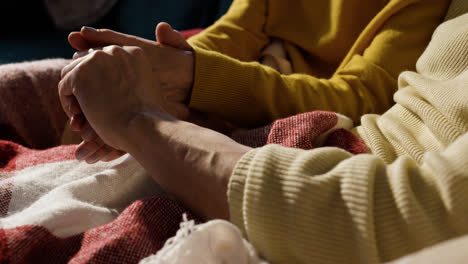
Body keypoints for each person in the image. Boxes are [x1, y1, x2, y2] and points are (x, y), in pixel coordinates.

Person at [1, 0, 467, 263]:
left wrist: (172, 89)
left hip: (313, 140)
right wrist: (154, 69)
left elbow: (360, 96)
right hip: (247, 125)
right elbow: (230, 34)